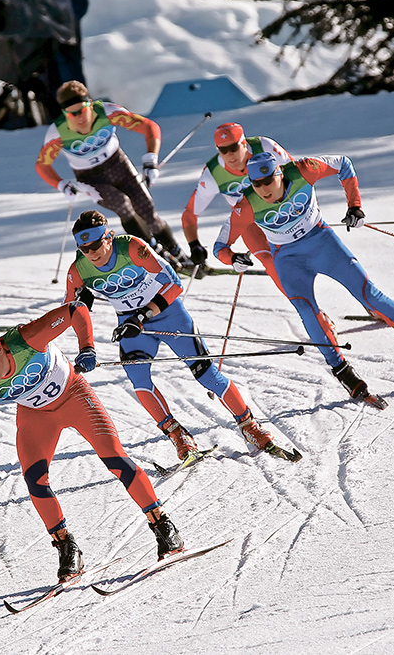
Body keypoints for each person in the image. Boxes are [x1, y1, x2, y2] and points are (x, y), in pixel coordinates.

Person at [216, 152, 394, 405]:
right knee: (307, 311)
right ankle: (342, 371)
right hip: (288, 261)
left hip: (323, 245)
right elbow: (220, 247)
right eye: (256, 183)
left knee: (369, 294)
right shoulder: (246, 205)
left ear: (279, 174)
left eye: (268, 181)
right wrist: (233, 259)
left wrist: (355, 206)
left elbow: (343, 164)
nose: (263, 189)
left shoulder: (303, 170)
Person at [0, 303, 185, 582]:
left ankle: (162, 523)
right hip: (36, 416)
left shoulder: (26, 339)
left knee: (114, 457)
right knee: (35, 481)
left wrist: (87, 347)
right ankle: (67, 546)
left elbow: (76, 309)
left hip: (75, 396)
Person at [64, 210, 300, 462]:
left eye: (96, 245)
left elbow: (174, 283)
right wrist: (86, 345)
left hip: (167, 314)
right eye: (84, 248)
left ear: (109, 237)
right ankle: (177, 435)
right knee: (139, 379)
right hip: (130, 324)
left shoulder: (132, 248)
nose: (92, 253)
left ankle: (249, 426)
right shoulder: (79, 270)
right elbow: (70, 311)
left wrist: (143, 316)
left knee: (206, 373)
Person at [36, 80, 190, 270]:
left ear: (90, 105)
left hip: (119, 166)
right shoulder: (57, 132)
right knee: (122, 204)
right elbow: (42, 165)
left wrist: (151, 160)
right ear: (64, 114)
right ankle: (154, 252)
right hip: (91, 179)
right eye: (71, 114)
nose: (79, 118)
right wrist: (62, 185)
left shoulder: (107, 112)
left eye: (82, 110)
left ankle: (178, 253)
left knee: (148, 211)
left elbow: (149, 127)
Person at [182, 122, 292, 288]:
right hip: (250, 221)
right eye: (223, 150)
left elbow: (297, 172)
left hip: (281, 209)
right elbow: (190, 214)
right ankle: (312, 312)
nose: (230, 155)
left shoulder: (264, 146)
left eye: (233, 148)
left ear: (244, 143)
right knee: (271, 263)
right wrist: (194, 245)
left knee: (305, 257)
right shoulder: (213, 173)